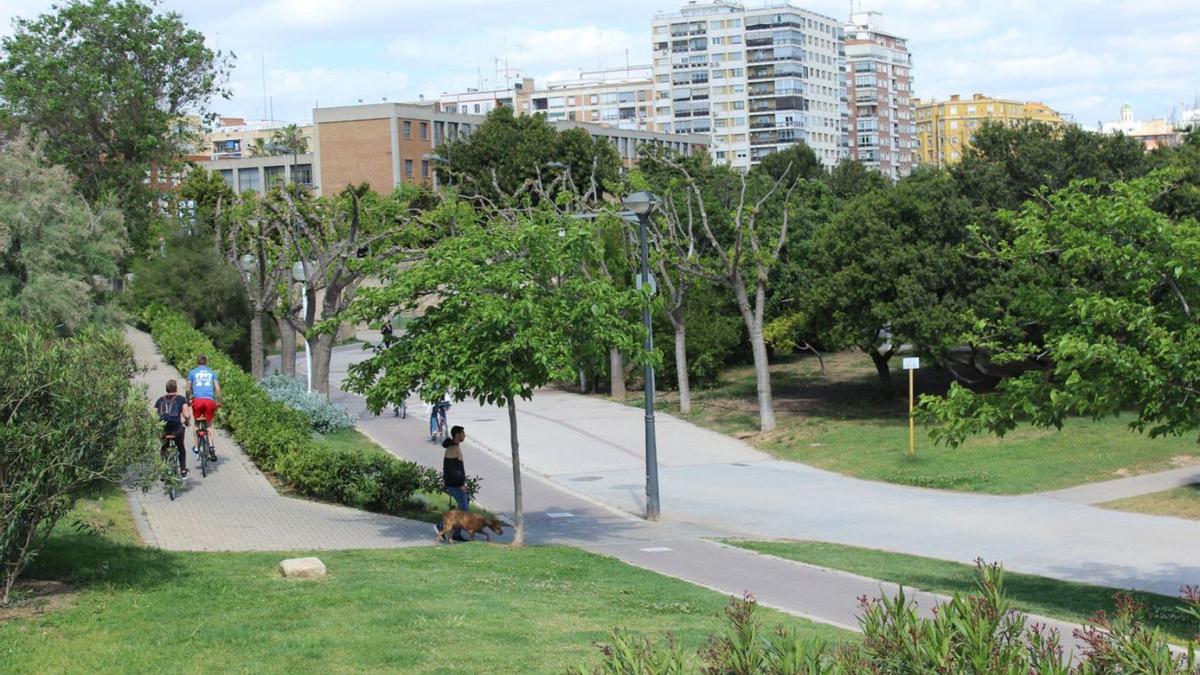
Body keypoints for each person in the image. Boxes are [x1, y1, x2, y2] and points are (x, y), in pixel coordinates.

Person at [186, 354, 221, 460]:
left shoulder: (192, 372)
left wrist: (188, 399)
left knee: (196, 423)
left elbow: (188, 389)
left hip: (197, 401)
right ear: (206, 362)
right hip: (209, 401)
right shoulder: (212, 373)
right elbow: (218, 389)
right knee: (209, 424)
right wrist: (219, 401)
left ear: (197, 362)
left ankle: (196, 448)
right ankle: (211, 447)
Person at [155, 379, 191, 478]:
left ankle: (162, 471)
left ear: (166, 389)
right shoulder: (180, 399)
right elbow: (186, 414)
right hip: (176, 429)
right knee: (181, 447)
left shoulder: (160, 400)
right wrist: (187, 422)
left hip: (164, 429)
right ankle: (183, 471)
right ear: (176, 388)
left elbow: (156, 416)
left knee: (164, 447)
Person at [439, 426, 470, 542]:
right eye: (463, 433)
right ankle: (441, 527)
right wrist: (461, 484)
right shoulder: (452, 449)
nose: (464, 435)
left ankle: (456, 533)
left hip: (455, 484)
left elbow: (458, 469)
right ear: (457, 435)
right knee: (464, 510)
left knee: (464, 506)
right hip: (455, 485)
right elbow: (453, 471)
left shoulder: (454, 447)